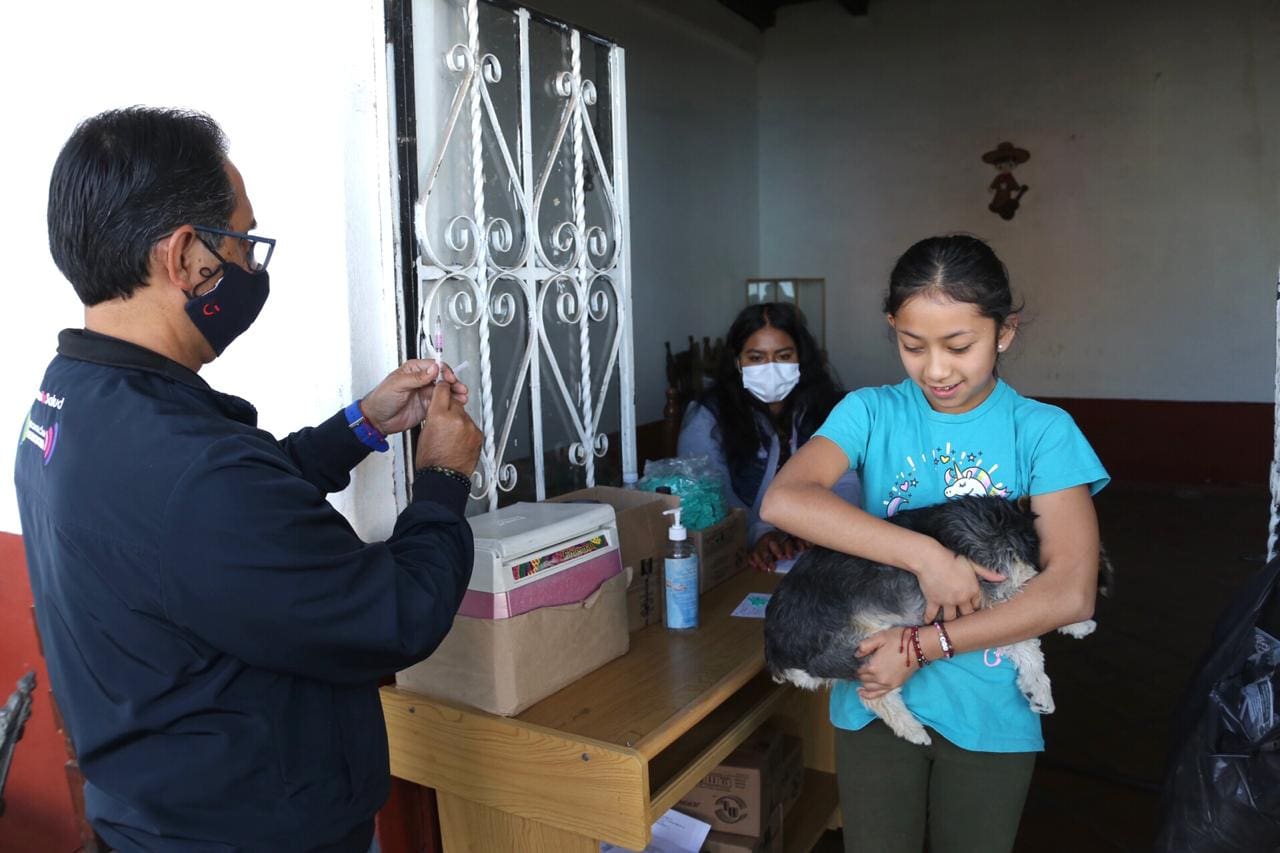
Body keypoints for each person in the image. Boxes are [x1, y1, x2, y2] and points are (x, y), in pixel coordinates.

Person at [15, 107, 484, 852]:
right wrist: (443, 475)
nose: (250, 267)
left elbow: (221, 533)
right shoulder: (193, 472)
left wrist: (361, 423)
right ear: (184, 257)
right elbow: (399, 612)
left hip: (151, 817)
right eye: (242, 242)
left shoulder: (68, 396)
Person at [761, 235, 1108, 853]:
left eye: (959, 346)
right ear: (892, 328)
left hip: (989, 707)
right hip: (875, 692)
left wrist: (923, 646)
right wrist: (929, 558)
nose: (937, 370)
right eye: (913, 346)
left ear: (1004, 332)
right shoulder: (870, 412)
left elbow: (1071, 593)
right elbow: (785, 500)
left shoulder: (1044, 433)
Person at [677, 302, 861, 571]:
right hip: (738, 558)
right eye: (756, 358)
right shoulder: (708, 418)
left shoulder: (826, 409)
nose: (771, 368)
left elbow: (846, 481)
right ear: (737, 362)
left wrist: (821, 526)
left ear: (800, 358)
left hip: (816, 549)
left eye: (783, 356)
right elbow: (710, 496)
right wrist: (758, 534)